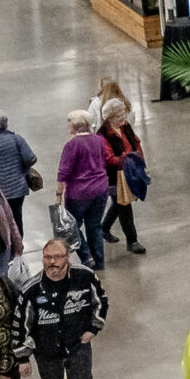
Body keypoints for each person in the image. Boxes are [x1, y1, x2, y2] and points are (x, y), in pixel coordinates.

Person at [22, 236, 110, 379]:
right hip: (47, 352)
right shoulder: (32, 289)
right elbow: (20, 322)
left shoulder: (84, 276)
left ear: (68, 258)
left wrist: (94, 327)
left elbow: (101, 301)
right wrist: (23, 355)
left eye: (57, 257)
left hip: (78, 346)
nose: (52, 262)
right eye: (47, 258)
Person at [57, 111, 112, 271]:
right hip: (100, 189)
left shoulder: (72, 145)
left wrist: (58, 195)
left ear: (73, 125)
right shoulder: (99, 140)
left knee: (71, 226)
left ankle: (86, 257)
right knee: (94, 225)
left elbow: (64, 173)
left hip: (79, 194)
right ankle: (99, 262)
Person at [99, 100, 146, 256]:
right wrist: (127, 157)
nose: (123, 117)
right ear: (109, 117)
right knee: (124, 206)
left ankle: (103, 229)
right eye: (119, 115)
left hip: (130, 172)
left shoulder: (125, 127)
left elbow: (136, 143)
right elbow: (108, 159)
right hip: (114, 176)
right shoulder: (103, 134)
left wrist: (141, 162)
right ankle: (132, 241)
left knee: (119, 203)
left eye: (123, 113)